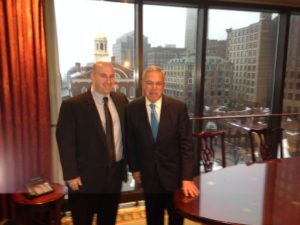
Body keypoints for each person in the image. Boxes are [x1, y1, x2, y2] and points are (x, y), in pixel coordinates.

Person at [56, 61, 128, 225]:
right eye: (103, 76)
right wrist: (70, 174)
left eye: (111, 76)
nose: (108, 80)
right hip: (84, 179)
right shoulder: (72, 106)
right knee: (83, 220)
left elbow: (128, 131)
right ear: (92, 77)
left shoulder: (121, 100)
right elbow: (65, 142)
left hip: (114, 175)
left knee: (108, 219)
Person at [126, 65, 199, 225]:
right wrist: (134, 168)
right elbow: (130, 141)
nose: (154, 88)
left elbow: (187, 144)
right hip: (148, 175)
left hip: (174, 176)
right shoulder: (132, 108)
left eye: (158, 83)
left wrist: (187, 178)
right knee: (153, 218)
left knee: (176, 218)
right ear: (143, 84)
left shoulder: (178, 108)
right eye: (150, 83)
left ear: (164, 85)